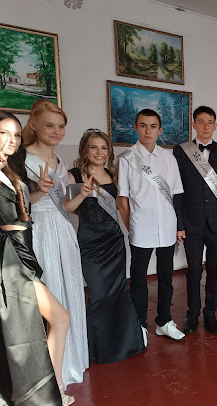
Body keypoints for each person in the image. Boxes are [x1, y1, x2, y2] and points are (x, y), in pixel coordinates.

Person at [0, 112, 73, 406]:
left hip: (23, 250)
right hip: (11, 256)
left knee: (41, 323)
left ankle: (50, 388)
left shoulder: (11, 167)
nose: (11, 140)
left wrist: (39, 191)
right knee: (59, 319)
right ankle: (53, 390)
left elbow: (20, 208)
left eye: (15, 134)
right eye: (4, 133)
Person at [65, 129, 147, 363]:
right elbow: (67, 208)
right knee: (99, 293)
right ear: (85, 150)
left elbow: (121, 205)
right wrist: (82, 194)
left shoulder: (112, 173)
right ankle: (99, 348)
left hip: (113, 240)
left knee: (119, 290)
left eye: (104, 148)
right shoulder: (74, 175)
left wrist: (133, 229)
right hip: (90, 241)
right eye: (93, 147)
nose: (99, 152)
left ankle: (125, 343)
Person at [23, 99, 89, 389]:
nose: (56, 131)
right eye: (49, 125)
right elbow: (16, 204)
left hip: (63, 231)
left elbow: (65, 207)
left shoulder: (61, 162)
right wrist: (38, 192)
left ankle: (69, 360)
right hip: (39, 231)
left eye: (61, 126)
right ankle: (46, 371)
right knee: (48, 294)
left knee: (68, 290)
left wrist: (82, 195)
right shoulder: (23, 159)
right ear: (33, 124)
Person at [116, 109, 185, 341]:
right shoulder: (126, 158)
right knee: (138, 279)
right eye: (143, 125)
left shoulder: (169, 158)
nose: (148, 131)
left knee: (166, 278)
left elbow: (176, 194)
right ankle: (140, 325)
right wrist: (132, 227)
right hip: (141, 228)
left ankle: (164, 321)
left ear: (160, 130)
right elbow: (122, 200)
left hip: (166, 227)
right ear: (135, 128)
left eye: (153, 126)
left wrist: (177, 225)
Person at [173, 106, 217, 335]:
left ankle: (210, 314)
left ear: (215, 125)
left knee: (214, 270)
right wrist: (179, 224)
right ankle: (192, 316)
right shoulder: (181, 151)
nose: (206, 126)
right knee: (193, 271)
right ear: (194, 124)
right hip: (191, 223)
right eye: (201, 121)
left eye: (210, 122)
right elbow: (177, 190)